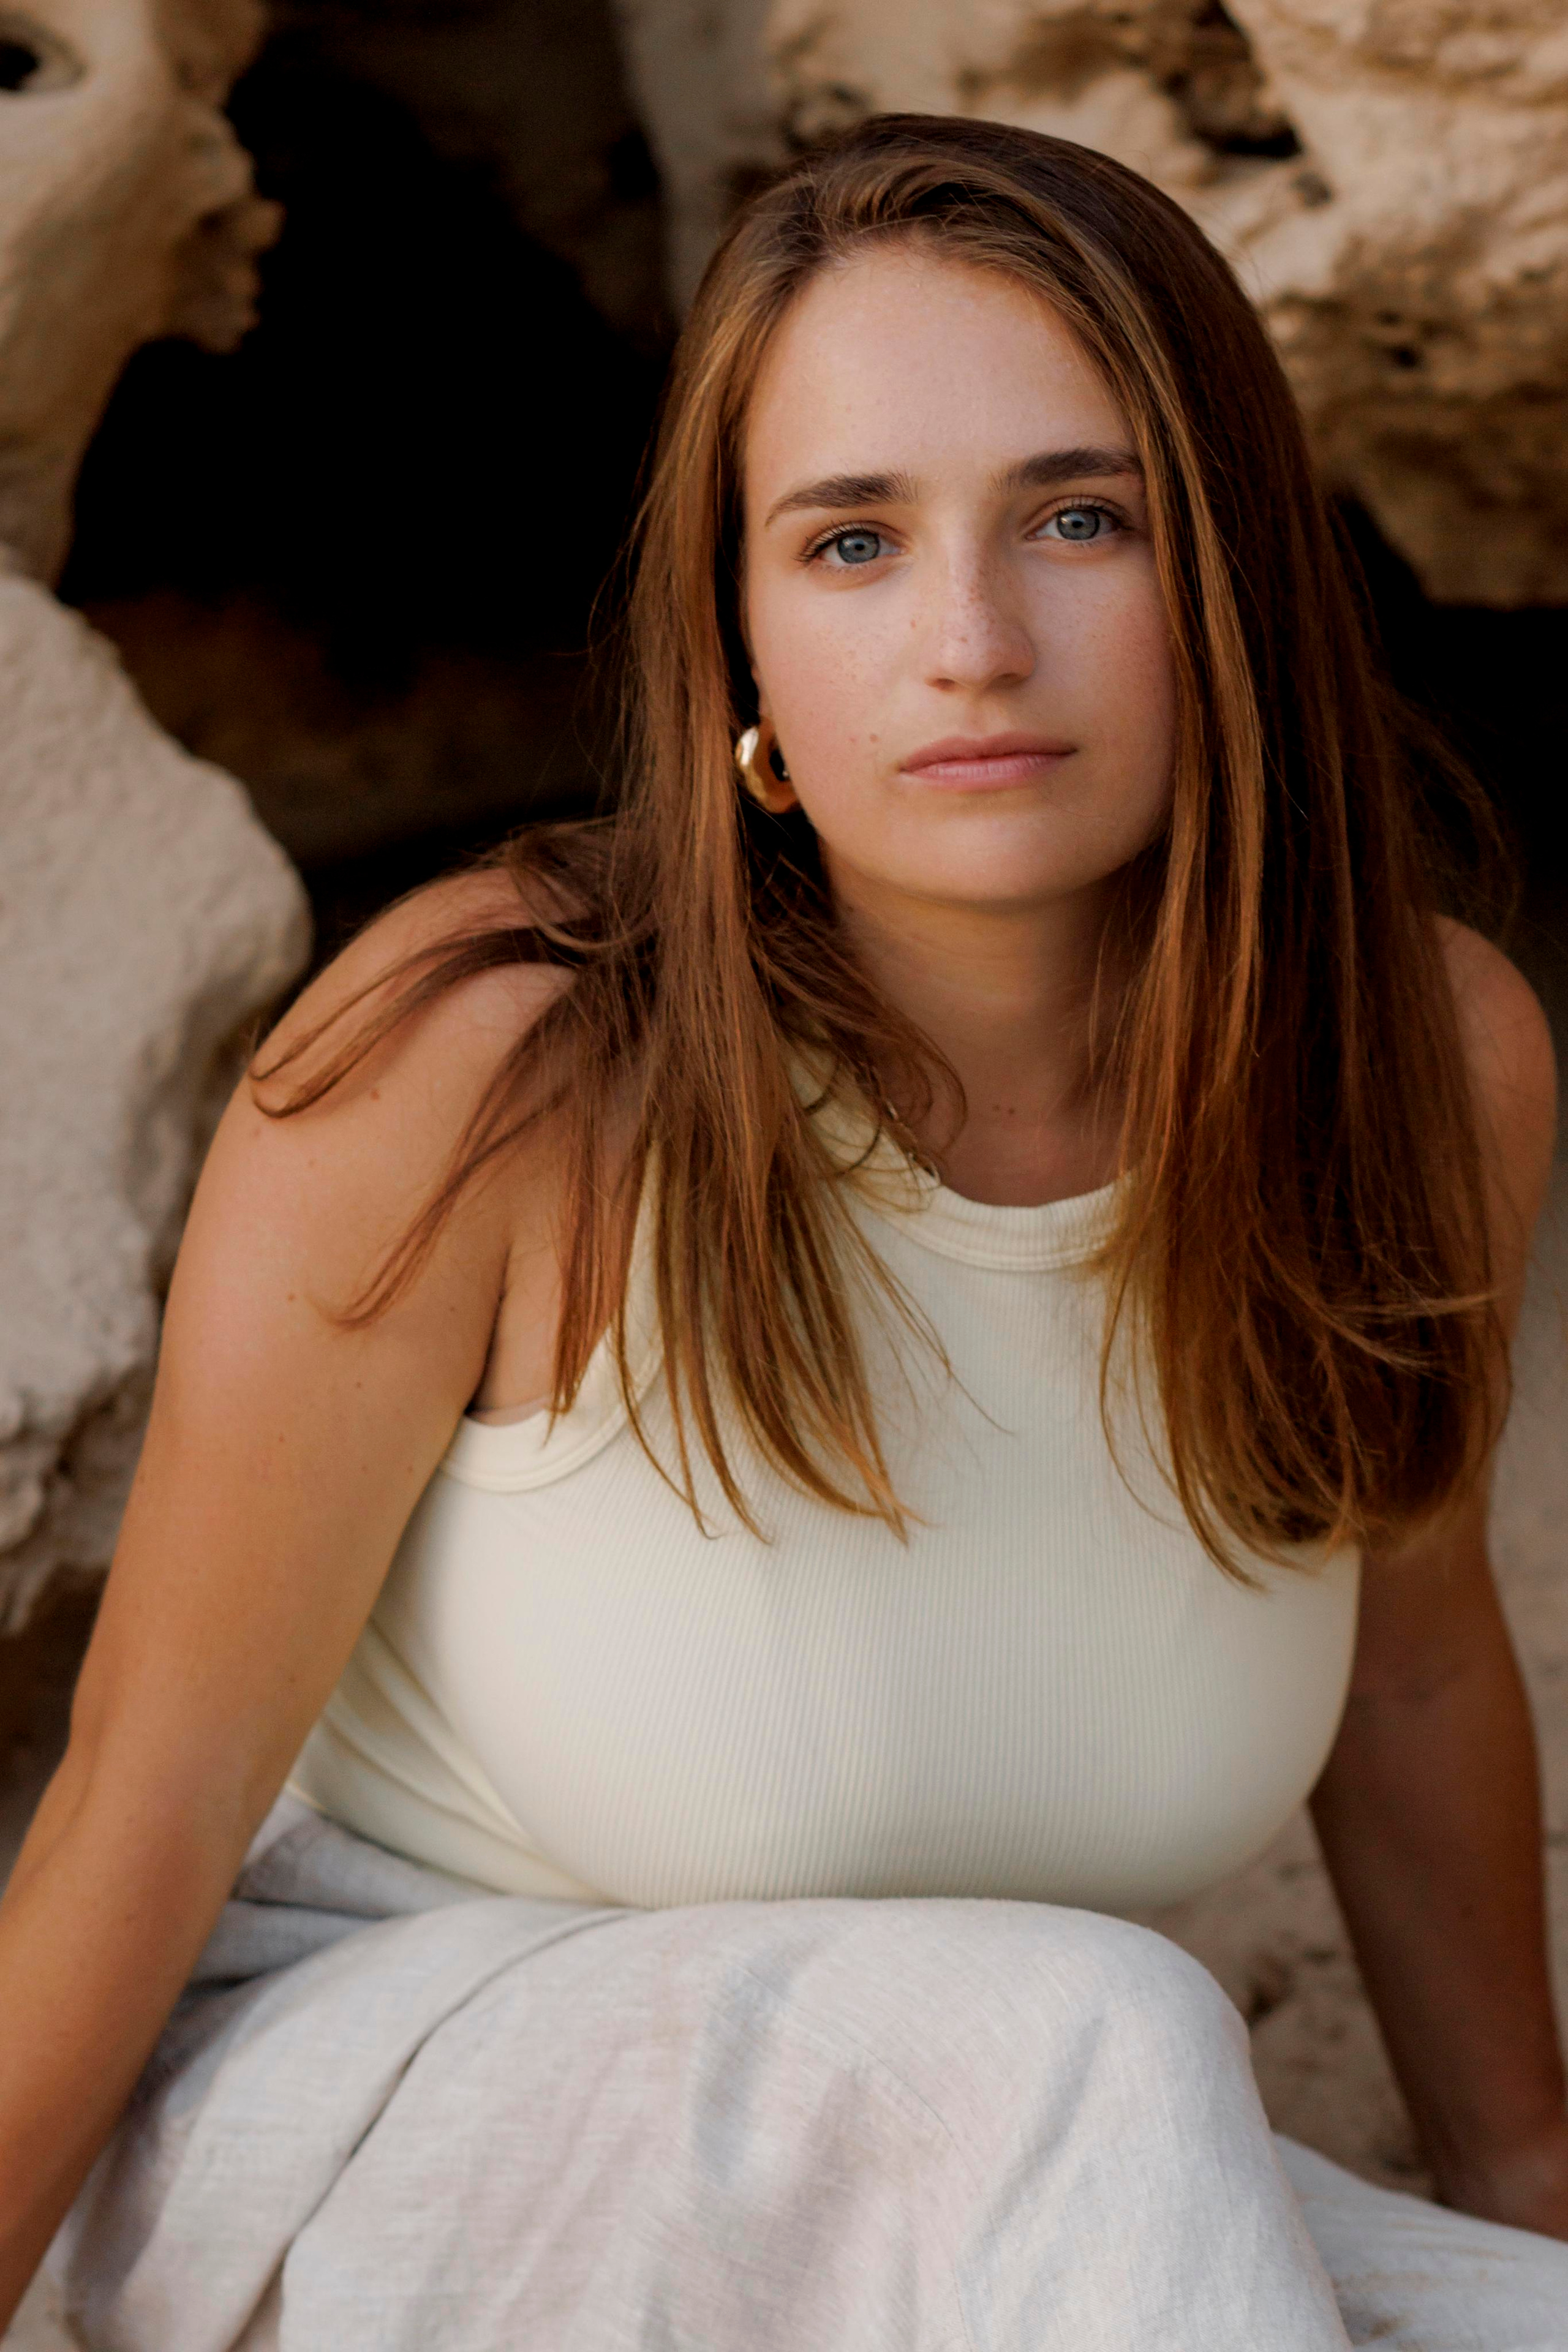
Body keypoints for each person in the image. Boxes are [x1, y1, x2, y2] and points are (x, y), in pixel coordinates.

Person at [1, 113, 1565, 2350]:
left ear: (1228, 576)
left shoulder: (1421, 1063)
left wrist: (1524, 2201)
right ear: (735, 649)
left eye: (1082, 516)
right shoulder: (489, 1067)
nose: (971, 640)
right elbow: (140, 1797)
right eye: (850, 543)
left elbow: (1410, 1667)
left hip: (994, 2138)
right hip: (381, 2111)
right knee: (1086, 2036)